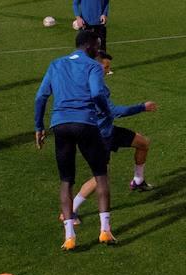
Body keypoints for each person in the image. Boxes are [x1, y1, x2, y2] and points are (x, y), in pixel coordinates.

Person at [34, 30, 116, 249]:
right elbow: (98, 93)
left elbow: (41, 96)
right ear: (88, 45)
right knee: (101, 175)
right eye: (96, 46)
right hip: (86, 124)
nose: (98, 49)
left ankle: (69, 237)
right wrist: (106, 113)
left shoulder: (55, 64)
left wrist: (38, 126)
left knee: (66, 180)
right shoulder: (92, 66)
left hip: (60, 125)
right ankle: (105, 231)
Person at [66, 51, 157, 224]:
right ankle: (70, 211)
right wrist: (142, 107)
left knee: (143, 143)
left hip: (108, 130)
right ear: (95, 65)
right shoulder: (93, 89)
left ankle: (138, 181)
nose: (108, 71)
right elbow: (115, 112)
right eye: (106, 67)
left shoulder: (94, 82)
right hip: (98, 137)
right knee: (100, 177)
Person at [72, 0, 111, 73]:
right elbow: (75, 3)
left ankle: (105, 68)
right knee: (85, 47)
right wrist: (78, 17)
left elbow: (106, 2)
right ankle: (83, 67)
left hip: (99, 21)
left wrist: (105, 14)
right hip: (86, 22)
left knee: (102, 45)